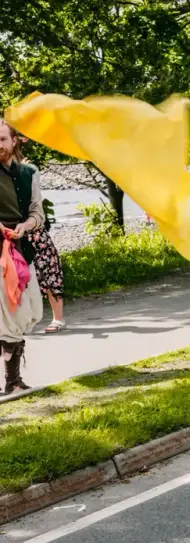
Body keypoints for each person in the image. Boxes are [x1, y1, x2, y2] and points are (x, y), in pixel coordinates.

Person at [0, 120, 44, 393]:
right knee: (11, 316)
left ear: (14, 141)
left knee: (32, 312)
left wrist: (26, 226)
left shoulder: (29, 172)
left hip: (22, 250)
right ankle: (13, 382)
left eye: (3, 139)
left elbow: (38, 213)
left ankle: (10, 367)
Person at [13, 136, 66, 333]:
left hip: (34, 231)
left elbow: (36, 206)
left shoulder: (29, 170)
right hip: (15, 231)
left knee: (48, 271)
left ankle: (58, 318)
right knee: (19, 276)